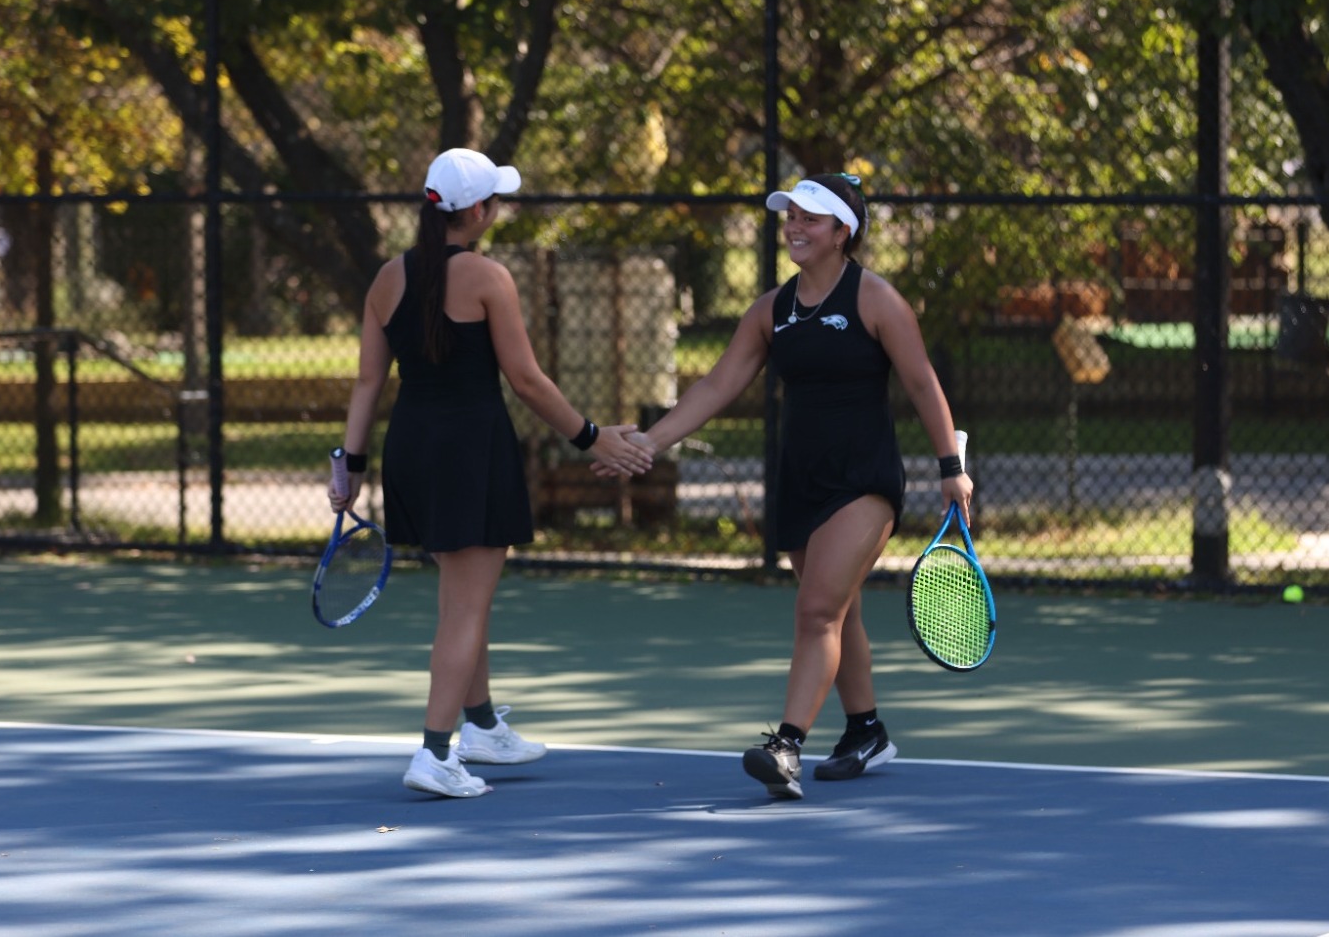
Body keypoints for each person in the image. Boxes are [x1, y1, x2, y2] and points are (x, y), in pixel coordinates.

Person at [616, 172, 972, 798]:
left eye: (811, 218)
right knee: (840, 610)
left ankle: (786, 746)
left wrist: (951, 468)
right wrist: (651, 440)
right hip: (799, 480)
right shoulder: (771, 310)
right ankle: (865, 731)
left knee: (816, 611)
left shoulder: (877, 300)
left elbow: (922, 383)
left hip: (864, 481)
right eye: (791, 218)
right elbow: (716, 386)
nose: (796, 227)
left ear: (843, 232)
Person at [330, 148, 653, 798]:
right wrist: (593, 437)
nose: (497, 208)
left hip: (412, 450)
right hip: (470, 449)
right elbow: (527, 381)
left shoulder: (386, 279)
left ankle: (479, 727)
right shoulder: (487, 278)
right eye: (495, 199)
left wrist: (350, 464)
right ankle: (434, 752)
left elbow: (368, 382)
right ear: (476, 211)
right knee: (464, 609)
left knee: (460, 600)